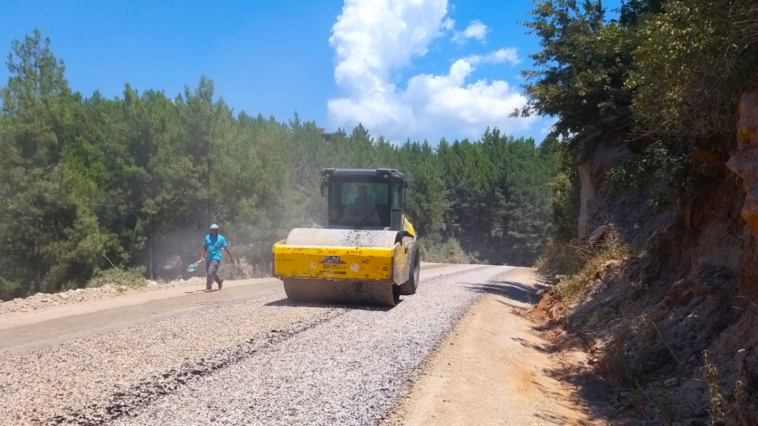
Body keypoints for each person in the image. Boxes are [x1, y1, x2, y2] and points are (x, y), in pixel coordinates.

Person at [198, 224, 235, 292]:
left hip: (217, 257)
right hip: (208, 258)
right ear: (211, 230)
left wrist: (231, 257)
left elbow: (226, 248)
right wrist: (202, 256)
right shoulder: (207, 238)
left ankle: (208, 287)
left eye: (217, 230)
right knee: (210, 272)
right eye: (214, 230)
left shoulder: (221, 238)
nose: (216, 231)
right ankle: (219, 282)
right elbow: (205, 247)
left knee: (211, 271)